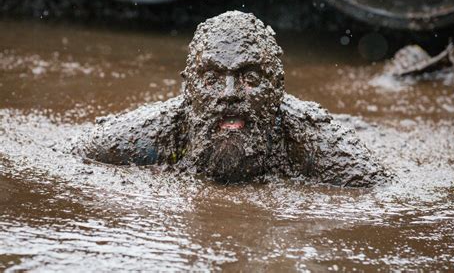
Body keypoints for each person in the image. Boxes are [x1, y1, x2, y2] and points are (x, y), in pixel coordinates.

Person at [74, 11, 389, 186]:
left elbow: (381, 189)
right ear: (189, 90)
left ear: (278, 88)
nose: (229, 95)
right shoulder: (151, 133)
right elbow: (79, 152)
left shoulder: (312, 138)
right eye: (211, 79)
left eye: (250, 78)